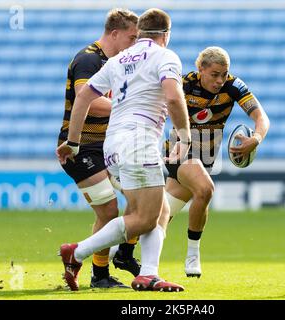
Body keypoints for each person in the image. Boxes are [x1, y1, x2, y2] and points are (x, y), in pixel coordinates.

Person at [56, 8, 191, 292]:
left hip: (112, 144)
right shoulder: (166, 56)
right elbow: (174, 98)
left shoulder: (118, 60)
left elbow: (83, 99)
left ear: (141, 33)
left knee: (159, 208)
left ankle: (149, 274)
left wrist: (74, 141)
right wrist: (185, 136)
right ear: (166, 35)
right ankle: (77, 252)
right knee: (144, 218)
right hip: (139, 141)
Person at [164, 46, 270, 277]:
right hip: (180, 152)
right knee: (205, 189)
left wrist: (256, 138)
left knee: (156, 219)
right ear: (200, 69)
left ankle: (113, 250)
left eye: (224, 74)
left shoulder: (233, 87)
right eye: (214, 74)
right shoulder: (184, 84)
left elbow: (261, 117)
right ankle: (193, 254)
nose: (220, 80)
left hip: (206, 159)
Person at [56, 8, 140, 289]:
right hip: (79, 148)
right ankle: (99, 275)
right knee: (108, 211)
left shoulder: (117, 62)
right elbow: (86, 99)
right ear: (114, 34)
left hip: (106, 147)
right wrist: (127, 105)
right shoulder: (89, 59)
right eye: (131, 38)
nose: (134, 44)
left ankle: (122, 256)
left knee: (143, 200)